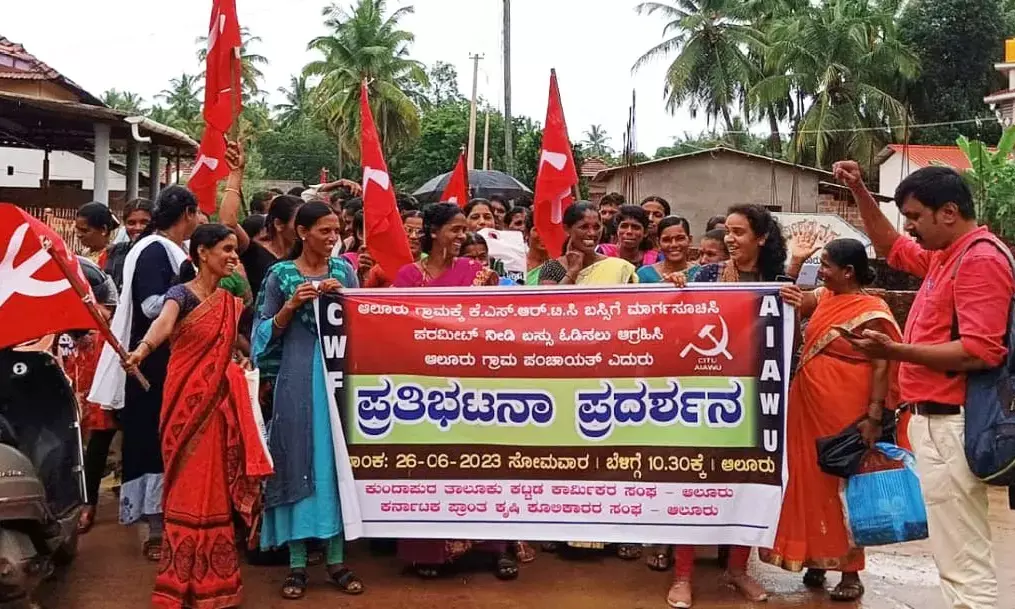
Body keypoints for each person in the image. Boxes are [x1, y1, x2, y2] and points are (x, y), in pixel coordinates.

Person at [833, 161, 1013, 609]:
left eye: (914, 216)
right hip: (938, 420)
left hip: (954, 421)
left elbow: (980, 351)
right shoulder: (946, 255)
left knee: (963, 557)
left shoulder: (979, 260)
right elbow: (890, 246)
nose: (908, 227)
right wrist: (859, 191)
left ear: (948, 212)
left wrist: (895, 351)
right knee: (956, 552)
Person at [124, 224, 273, 609]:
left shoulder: (228, 300)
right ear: (202, 253)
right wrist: (142, 350)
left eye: (234, 250)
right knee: (187, 486)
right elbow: (163, 323)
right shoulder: (181, 295)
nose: (233, 256)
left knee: (214, 487)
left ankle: (215, 582)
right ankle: (179, 582)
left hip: (217, 405)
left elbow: (233, 342)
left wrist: (242, 361)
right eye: (225, 249)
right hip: (185, 408)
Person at [665, 204, 800, 608]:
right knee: (694, 482)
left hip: (757, 400)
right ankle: (683, 576)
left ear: (762, 237)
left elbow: (790, 343)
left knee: (749, 481)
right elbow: (679, 324)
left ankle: (737, 569)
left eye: (739, 232)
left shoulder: (777, 282)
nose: (730, 239)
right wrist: (676, 289)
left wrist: (796, 304)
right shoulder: (705, 276)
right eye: (728, 231)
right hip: (706, 396)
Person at [765, 238, 901, 602]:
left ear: (848, 272)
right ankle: (817, 558)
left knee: (842, 485)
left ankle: (850, 571)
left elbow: (882, 366)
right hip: (806, 404)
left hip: (847, 408)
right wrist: (795, 265)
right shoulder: (825, 296)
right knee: (806, 479)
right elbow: (790, 304)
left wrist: (873, 416)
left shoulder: (872, 310)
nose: (821, 271)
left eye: (825, 265)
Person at [390, 204, 511, 578]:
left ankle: (495, 548)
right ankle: (429, 552)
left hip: (472, 383)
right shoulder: (409, 277)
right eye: (455, 230)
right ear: (433, 231)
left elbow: (495, 323)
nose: (463, 236)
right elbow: (392, 323)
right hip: (426, 387)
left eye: (464, 230)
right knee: (431, 464)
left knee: (482, 462)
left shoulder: (478, 274)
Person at [252, 202, 365, 600]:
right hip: (297, 379)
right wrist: (291, 306)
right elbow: (260, 334)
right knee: (296, 460)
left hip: (338, 379)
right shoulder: (280, 275)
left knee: (334, 464)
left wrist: (344, 301)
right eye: (324, 230)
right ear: (302, 232)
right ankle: (297, 564)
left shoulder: (344, 272)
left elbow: (365, 323)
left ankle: (336, 560)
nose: (333, 237)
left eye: (336, 230)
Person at [88, 185, 200, 563]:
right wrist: (191, 292)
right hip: (150, 361)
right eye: (197, 214)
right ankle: (155, 524)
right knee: (153, 438)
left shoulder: (170, 249)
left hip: (170, 359)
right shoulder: (155, 250)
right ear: (188, 213)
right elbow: (152, 307)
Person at [67, 257, 119, 535]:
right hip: (74, 364)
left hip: (100, 358)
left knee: (100, 435)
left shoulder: (85, 271)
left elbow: (108, 310)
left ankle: (89, 503)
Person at [540, 202, 638, 286]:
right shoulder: (552, 267)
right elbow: (549, 301)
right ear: (567, 228)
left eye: (596, 227)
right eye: (584, 227)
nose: (592, 233)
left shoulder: (618, 267)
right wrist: (572, 272)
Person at [241, 195, 301, 304]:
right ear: (279, 224)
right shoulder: (254, 252)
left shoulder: (303, 252)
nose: (304, 228)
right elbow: (228, 221)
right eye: (298, 223)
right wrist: (234, 184)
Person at [363, 210, 424, 288]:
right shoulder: (382, 269)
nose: (413, 236)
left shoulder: (432, 268)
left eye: (420, 232)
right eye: (408, 230)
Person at [637, 216, 693, 283]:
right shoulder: (645, 274)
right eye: (666, 240)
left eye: (680, 238)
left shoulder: (700, 273)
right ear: (658, 243)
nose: (674, 245)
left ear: (690, 240)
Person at [75, 202, 120, 266]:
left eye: (84, 230)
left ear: (104, 229)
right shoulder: (82, 254)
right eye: (78, 229)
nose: (79, 234)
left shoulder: (114, 258)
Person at [524, 209, 549, 286]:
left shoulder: (559, 266)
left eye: (549, 230)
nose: (544, 234)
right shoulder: (516, 260)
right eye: (539, 229)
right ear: (527, 232)